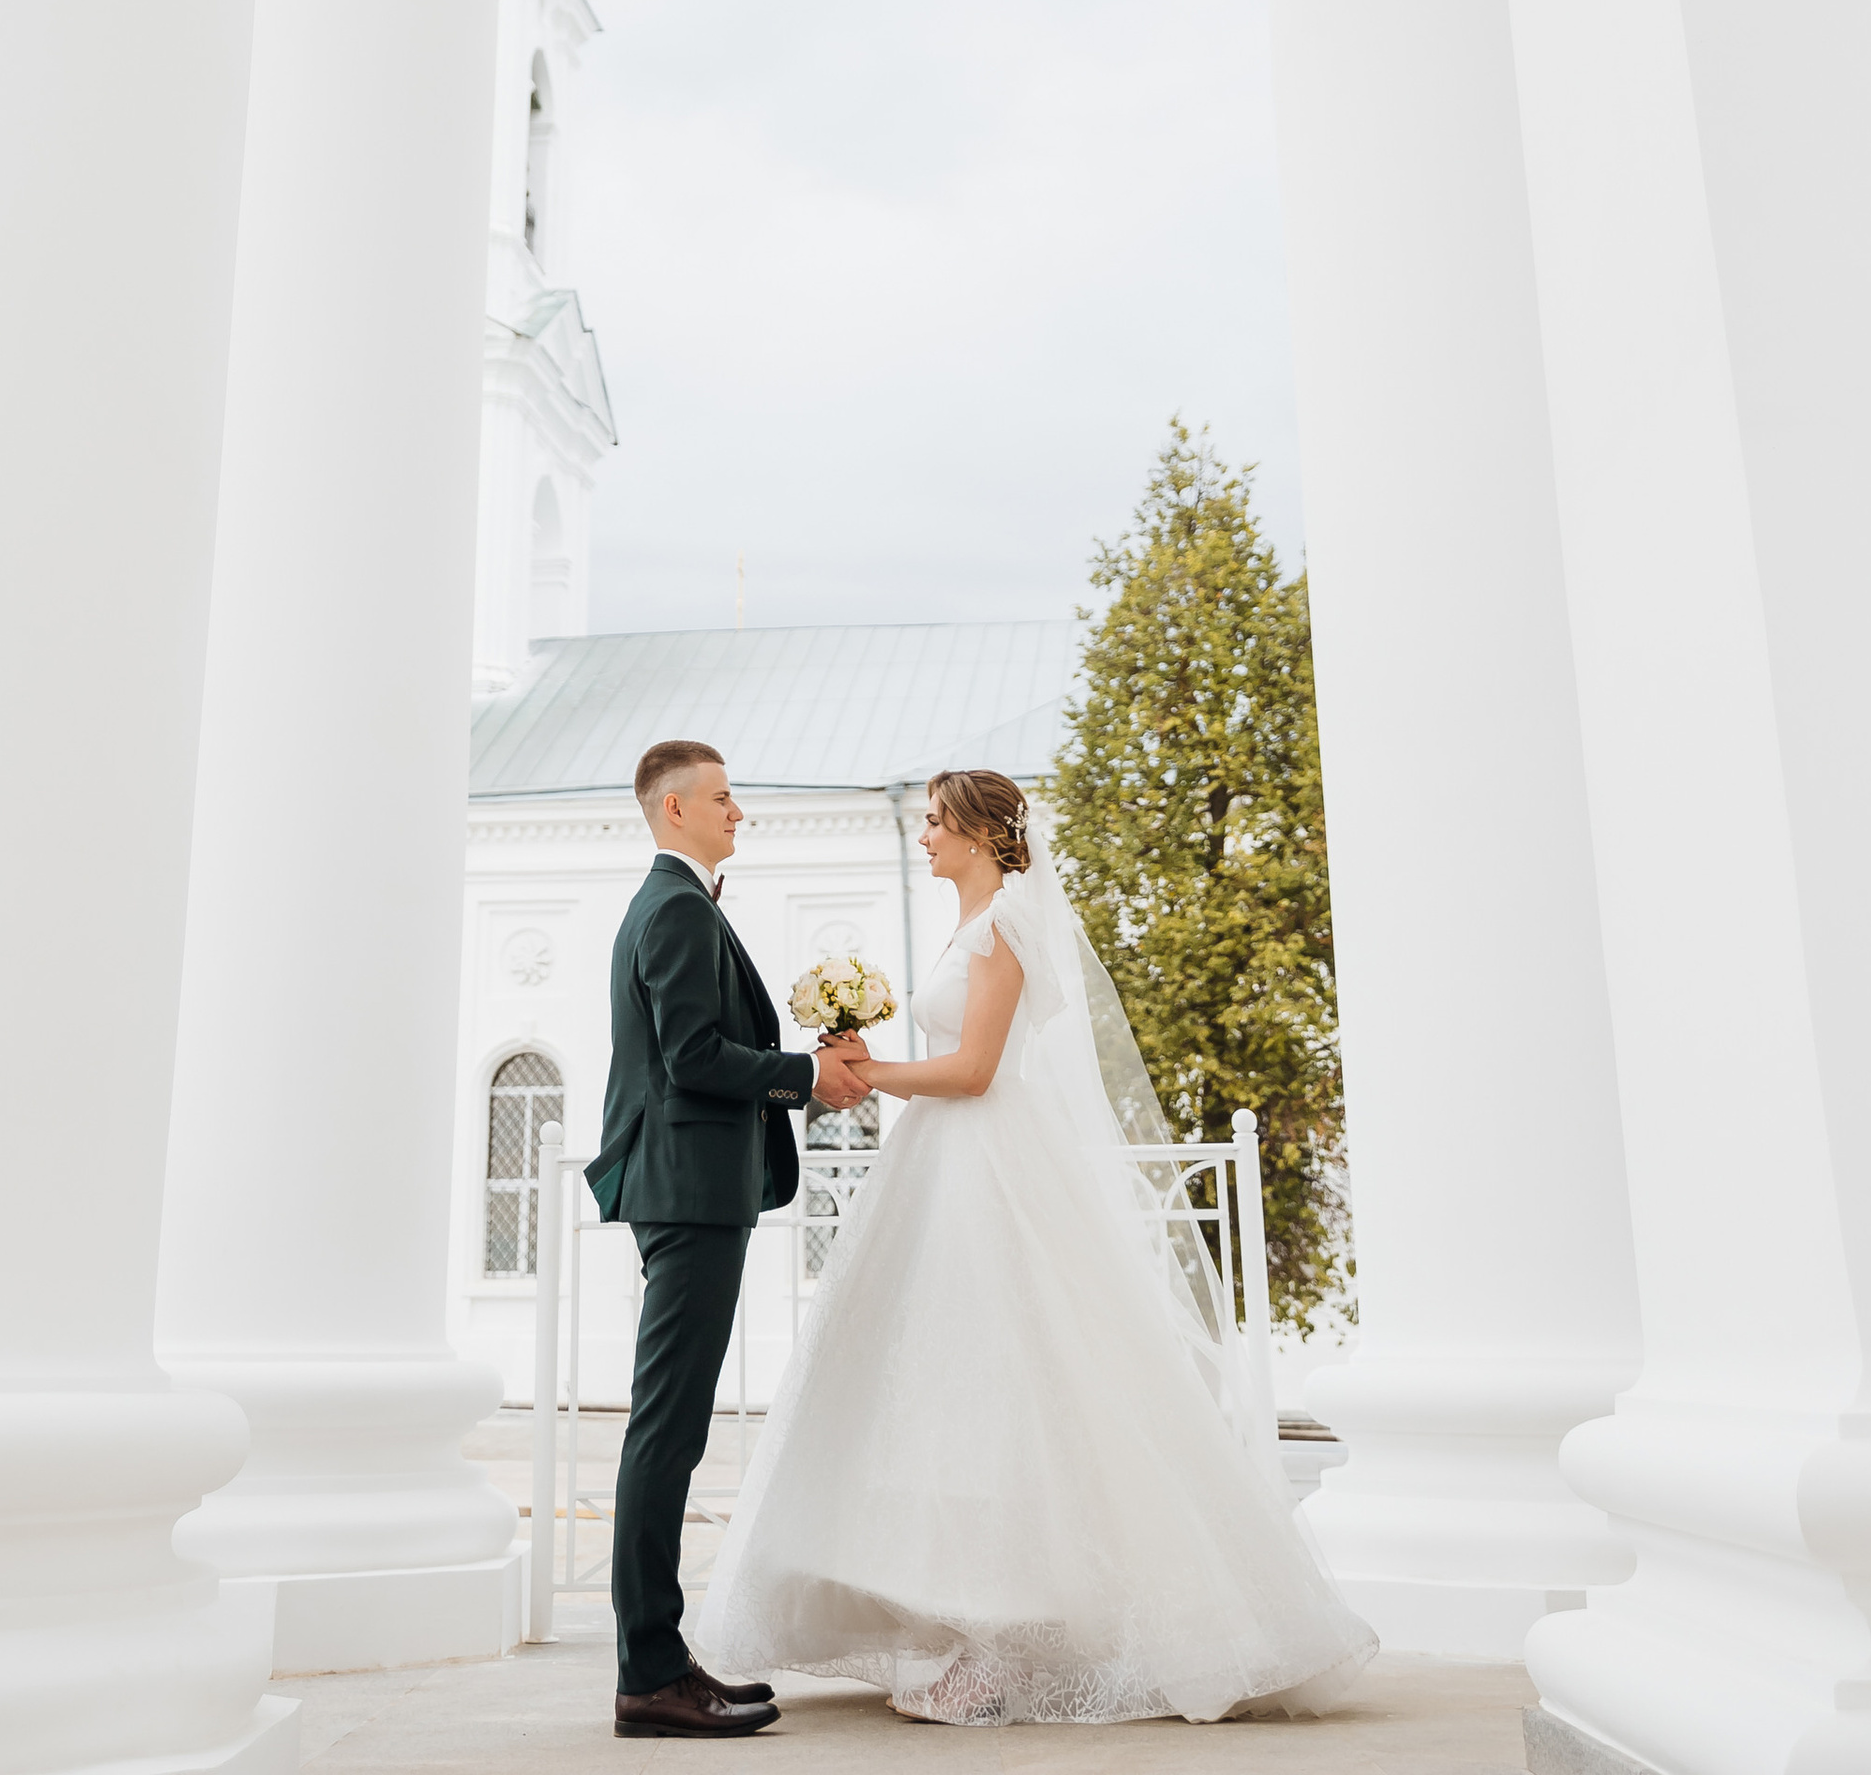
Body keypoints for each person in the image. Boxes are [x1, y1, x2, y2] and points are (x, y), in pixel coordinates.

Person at [695, 768, 1379, 1727]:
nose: (922, 836)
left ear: (978, 834)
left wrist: (864, 1072)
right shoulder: (972, 924)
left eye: (935, 823)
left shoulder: (1008, 923)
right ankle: (947, 1622)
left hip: (986, 1168)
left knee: (1001, 1385)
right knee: (930, 1387)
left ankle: (1001, 1642)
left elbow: (975, 1070)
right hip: (939, 1169)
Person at [591, 738, 873, 1740]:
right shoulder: (672, 908)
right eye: (721, 797)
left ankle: (661, 1665)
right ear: (674, 810)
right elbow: (694, 1057)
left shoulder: (680, 904)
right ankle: (650, 1675)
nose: (737, 810)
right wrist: (803, 1074)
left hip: (694, 1189)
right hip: (689, 1190)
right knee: (665, 1433)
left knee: (672, 1430)